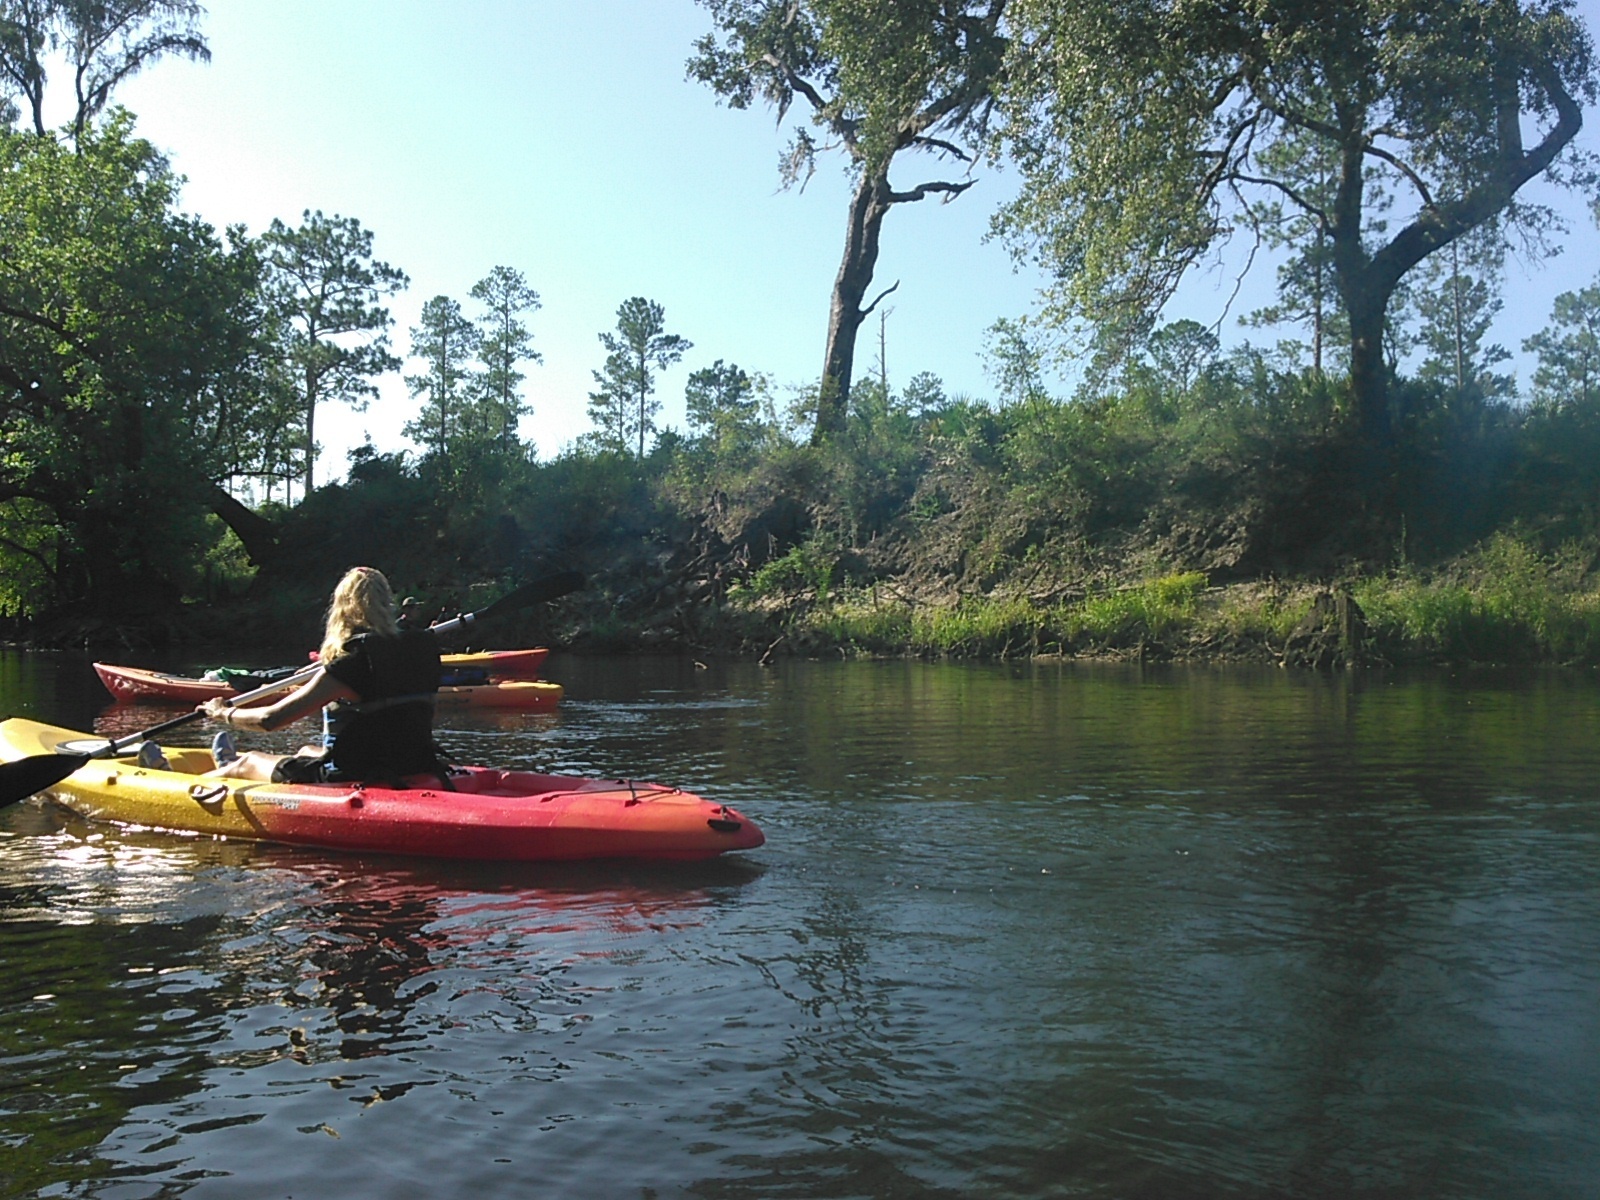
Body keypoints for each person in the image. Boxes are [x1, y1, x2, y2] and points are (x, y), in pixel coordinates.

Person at [198, 566, 445, 784]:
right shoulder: (422, 652)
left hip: (355, 772)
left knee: (249, 761)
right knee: (306, 750)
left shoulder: (353, 662)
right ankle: (226, 765)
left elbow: (270, 719)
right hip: (412, 762)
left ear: (343, 608)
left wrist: (222, 713)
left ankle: (221, 772)